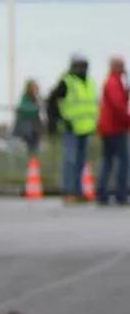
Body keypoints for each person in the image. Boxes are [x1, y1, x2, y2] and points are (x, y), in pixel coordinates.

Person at [47, 54, 98, 203]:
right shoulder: (66, 82)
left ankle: (78, 191)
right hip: (71, 127)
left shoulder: (89, 82)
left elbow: (92, 105)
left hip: (86, 127)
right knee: (70, 160)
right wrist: (57, 120)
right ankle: (68, 191)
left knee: (81, 162)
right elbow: (52, 101)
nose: (82, 70)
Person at [96, 56, 130, 205]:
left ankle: (103, 192)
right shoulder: (114, 83)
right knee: (122, 160)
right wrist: (128, 120)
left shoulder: (113, 82)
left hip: (108, 127)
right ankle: (120, 193)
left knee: (108, 160)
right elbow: (118, 106)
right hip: (115, 127)